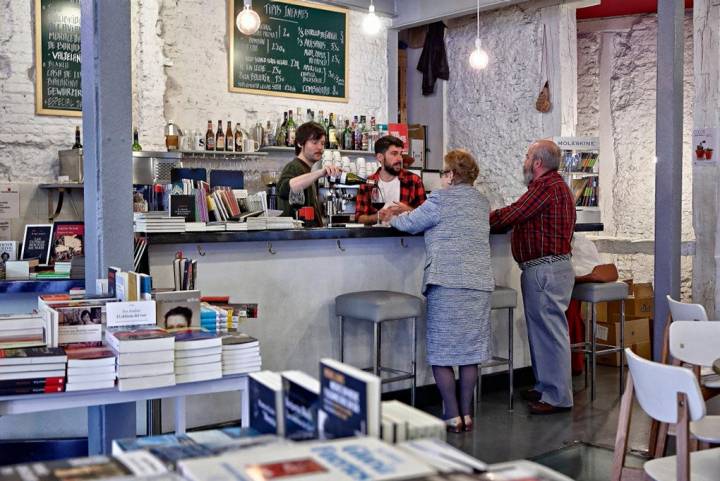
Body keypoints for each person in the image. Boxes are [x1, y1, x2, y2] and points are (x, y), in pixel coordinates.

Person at [380, 149, 493, 432]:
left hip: (447, 282)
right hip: (479, 285)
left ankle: (451, 415)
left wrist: (388, 218)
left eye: (443, 173)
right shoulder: (481, 202)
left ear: (452, 175)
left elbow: (410, 224)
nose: (442, 177)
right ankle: (467, 415)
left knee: (442, 352)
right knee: (469, 353)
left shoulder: (440, 199)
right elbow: (431, 217)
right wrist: (412, 210)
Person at [489, 139, 576, 415]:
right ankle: (545, 386)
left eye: (527, 156)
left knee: (550, 334)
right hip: (553, 267)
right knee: (544, 333)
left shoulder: (544, 187)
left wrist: (476, 216)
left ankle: (557, 396)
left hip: (545, 269)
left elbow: (513, 213)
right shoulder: (560, 186)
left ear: (538, 163)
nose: (524, 161)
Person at [277, 122, 342, 226]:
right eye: (315, 142)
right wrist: (320, 172)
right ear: (299, 143)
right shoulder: (294, 167)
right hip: (298, 238)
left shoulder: (306, 170)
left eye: (322, 143)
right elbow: (283, 189)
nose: (320, 147)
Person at [355, 136, 427, 225]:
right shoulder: (367, 184)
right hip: (376, 236)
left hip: (405, 237)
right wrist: (377, 217)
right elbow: (359, 218)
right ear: (380, 157)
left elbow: (426, 216)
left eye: (400, 154)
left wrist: (407, 210)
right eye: (394, 154)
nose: (400, 159)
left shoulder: (414, 181)